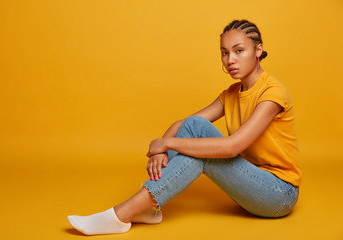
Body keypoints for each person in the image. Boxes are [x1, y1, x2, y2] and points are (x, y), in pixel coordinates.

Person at [67, 19, 301, 235]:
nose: (230, 60)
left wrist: (166, 143)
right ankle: (147, 209)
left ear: (258, 50)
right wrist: (159, 150)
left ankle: (122, 215)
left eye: (239, 51)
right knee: (194, 126)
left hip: (279, 194)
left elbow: (233, 146)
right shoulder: (231, 94)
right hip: (250, 184)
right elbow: (184, 124)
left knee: (200, 153)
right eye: (224, 53)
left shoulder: (272, 93)